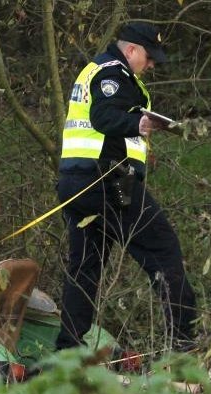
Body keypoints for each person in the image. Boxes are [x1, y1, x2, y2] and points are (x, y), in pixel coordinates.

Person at [55, 21, 197, 351]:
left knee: (84, 269)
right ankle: (185, 347)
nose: (150, 66)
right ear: (131, 49)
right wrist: (139, 123)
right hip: (109, 182)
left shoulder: (94, 70)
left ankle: (66, 353)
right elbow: (103, 116)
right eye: (149, 58)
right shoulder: (113, 74)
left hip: (76, 186)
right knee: (163, 250)